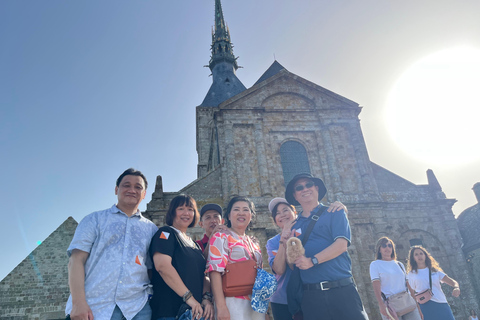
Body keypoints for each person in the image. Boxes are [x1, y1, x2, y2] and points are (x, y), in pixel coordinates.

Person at [66, 168, 158, 320]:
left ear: (144, 194)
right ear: (116, 190)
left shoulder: (151, 229)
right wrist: (78, 302)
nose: (132, 190)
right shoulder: (94, 220)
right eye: (126, 185)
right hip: (96, 306)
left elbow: (149, 269)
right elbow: (76, 260)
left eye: (138, 187)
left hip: (138, 308)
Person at [285, 173, 369, 320]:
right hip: (312, 296)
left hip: (342, 290)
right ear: (295, 196)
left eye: (308, 184)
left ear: (316, 188)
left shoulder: (335, 211)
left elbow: (341, 245)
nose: (305, 189)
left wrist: (313, 261)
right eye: (299, 188)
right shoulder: (294, 225)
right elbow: (292, 263)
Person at [265, 197, 347, 320]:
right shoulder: (273, 242)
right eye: (277, 213)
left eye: (286, 210)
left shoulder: (309, 231)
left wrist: (341, 209)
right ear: (275, 220)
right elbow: (279, 270)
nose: (282, 215)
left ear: (295, 213)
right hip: (282, 298)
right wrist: (283, 238)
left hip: (308, 294)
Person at [149, 194, 214, 320]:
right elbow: (162, 266)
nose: (186, 213)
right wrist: (189, 298)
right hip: (170, 312)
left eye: (190, 209)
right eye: (181, 209)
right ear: (172, 212)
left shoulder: (194, 244)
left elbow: (204, 275)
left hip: (194, 313)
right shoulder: (166, 233)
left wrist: (205, 298)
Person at [207, 196, 264, 320]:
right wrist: (221, 307)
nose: (241, 213)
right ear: (228, 215)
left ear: (251, 215)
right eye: (236, 209)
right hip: (232, 301)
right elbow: (215, 272)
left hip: (255, 303)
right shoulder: (221, 237)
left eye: (245, 209)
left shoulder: (254, 242)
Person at [369, 237, 422, 320]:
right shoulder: (375, 265)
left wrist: (417, 304)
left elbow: (408, 284)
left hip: (407, 301)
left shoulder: (399, 264)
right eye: (384, 245)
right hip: (390, 305)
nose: (387, 248)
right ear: (379, 249)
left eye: (390, 246)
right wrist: (381, 305)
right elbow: (376, 285)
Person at [407, 246, 460, 320]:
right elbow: (411, 293)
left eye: (421, 253)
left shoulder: (434, 270)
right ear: (413, 258)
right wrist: (417, 309)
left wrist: (456, 287)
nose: (419, 256)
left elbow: (452, 281)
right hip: (425, 306)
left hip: (441, 303)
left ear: (425, 255)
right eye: (416, 254)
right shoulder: (411, 274)